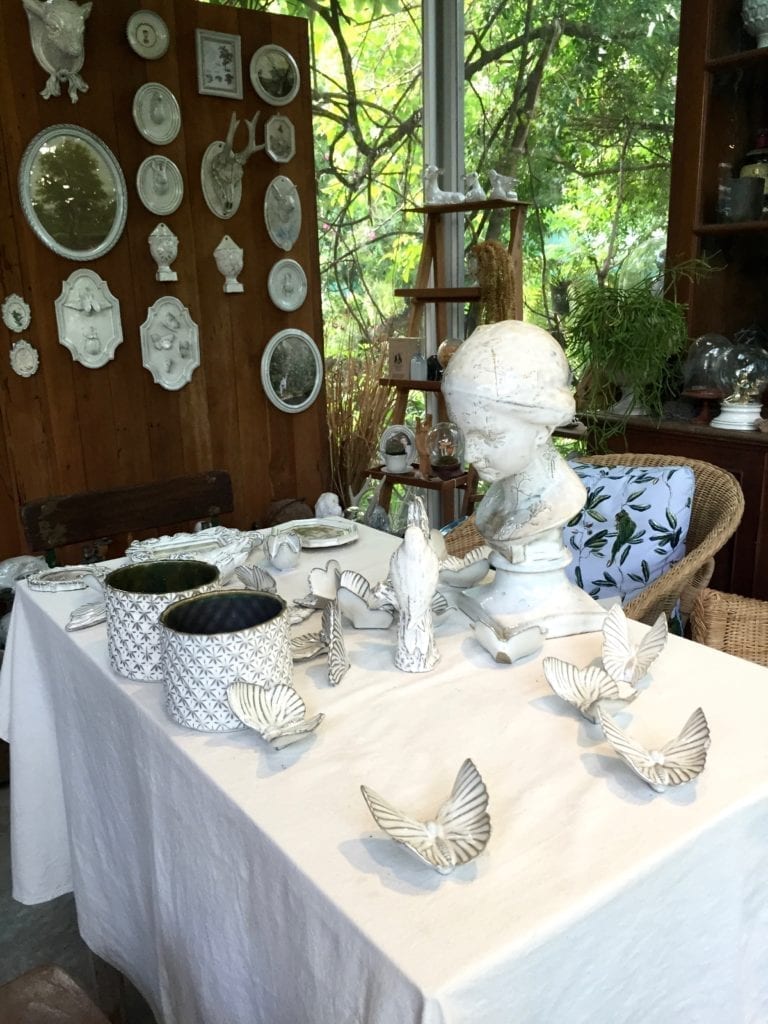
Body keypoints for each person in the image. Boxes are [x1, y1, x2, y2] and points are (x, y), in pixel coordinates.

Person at [442, 320, 585, 567]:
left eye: (489, 436)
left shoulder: (561, 499)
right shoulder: (496, 502)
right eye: (465, 434)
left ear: (543, 428)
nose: (470, 456)